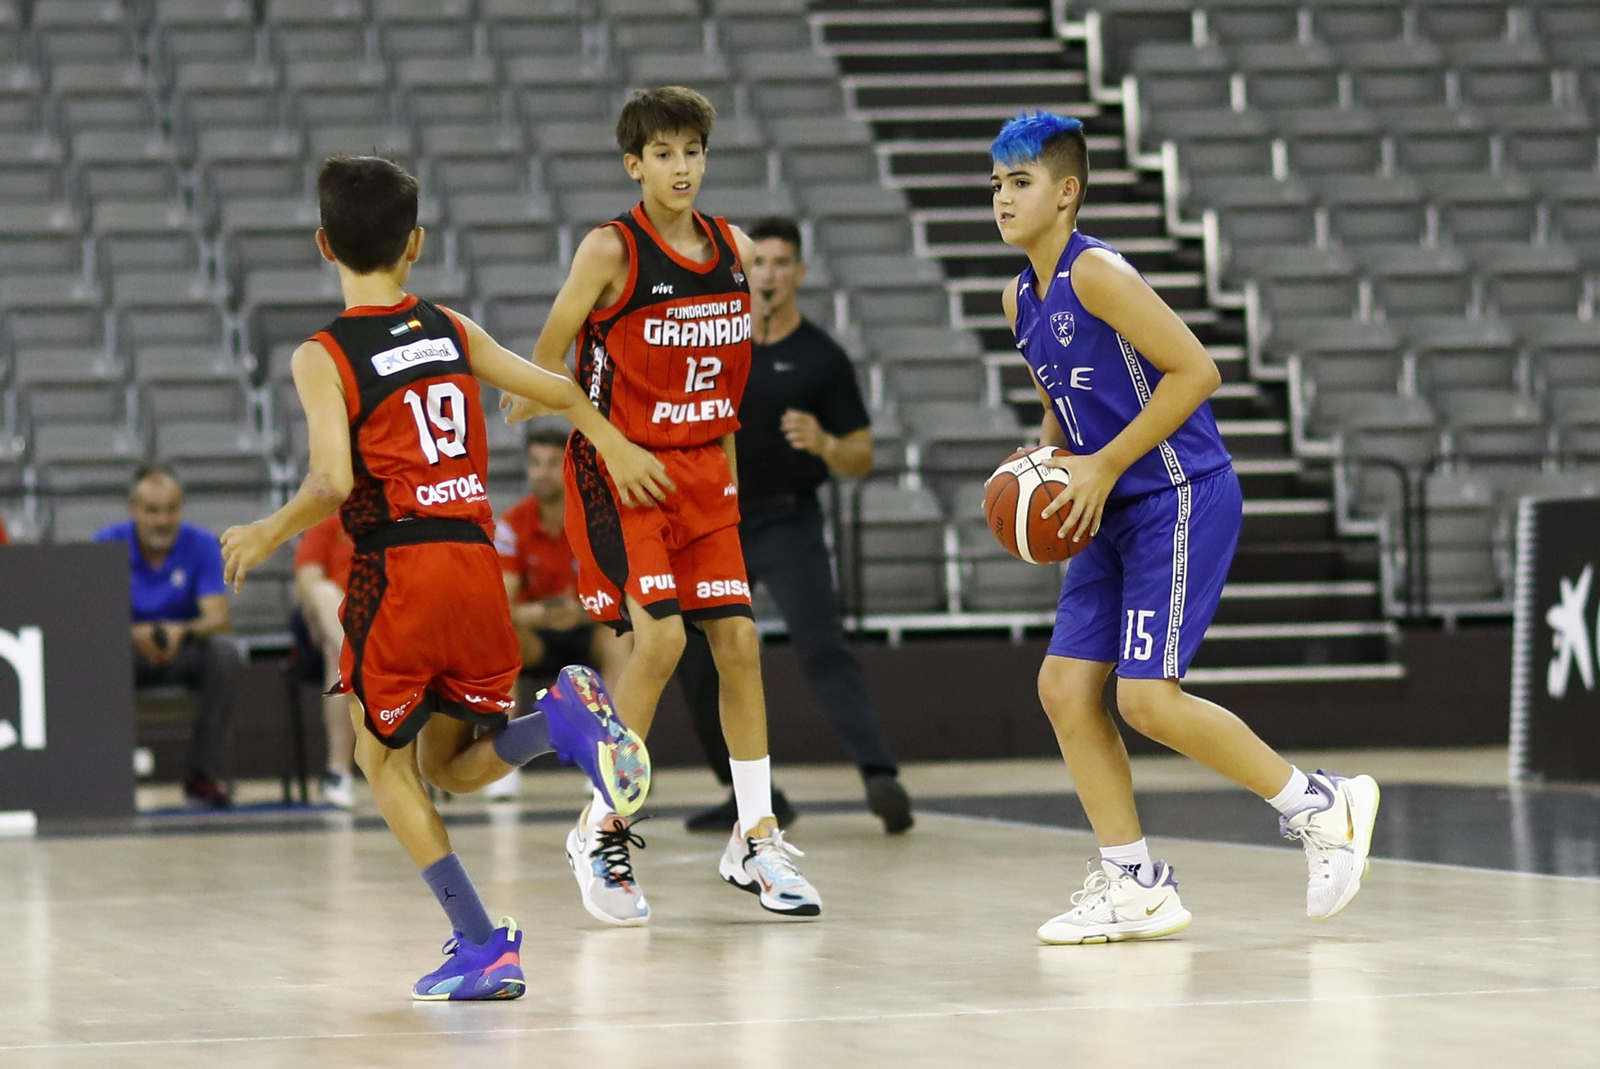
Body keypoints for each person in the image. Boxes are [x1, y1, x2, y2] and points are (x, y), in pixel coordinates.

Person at [219, 155, 659, 1001]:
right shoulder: (451, 328)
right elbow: (562, 387)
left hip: (400, 571)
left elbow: (330, 484)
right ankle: (559, 720)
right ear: (414, 244)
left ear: (322, 245)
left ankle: (482, 941)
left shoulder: (323, 353)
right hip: (475, 565)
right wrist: (585, 427)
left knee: (381, 765)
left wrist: (268, 531)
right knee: (452, 766)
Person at [991, 112, 1381, 945]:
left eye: (1019, 181)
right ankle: (1135, 885)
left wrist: (1101, 464)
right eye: (995, 183)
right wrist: (1048, 458)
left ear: (1067, 192)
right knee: (1063, 688)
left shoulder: (1096, 271)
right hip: (1107, 504)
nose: (1002, 197)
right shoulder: (1019, 296)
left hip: (1178, 493)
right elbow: (1066, 401)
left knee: (1145, 698)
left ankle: (1322, 804)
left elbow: (1196, 370)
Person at [504, 86, 823, 926]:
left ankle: (755, 836)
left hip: (701, 475)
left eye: (694, 152)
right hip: (617, 470)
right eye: (664, 154)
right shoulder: (611, 249)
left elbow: (723, 387)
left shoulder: (734, 249)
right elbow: (543, 368)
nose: (681, 167)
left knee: (743, 641)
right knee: (662, 640)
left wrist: (725, 487)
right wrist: (612, 443)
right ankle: (599, 828)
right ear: (633, 164)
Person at [674, 216, 912, 835]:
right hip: (717, 521)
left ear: (799, 274)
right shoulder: (716, 347)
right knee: (696, 659)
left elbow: (862, 456)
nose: (769, 274)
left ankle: (880, 775)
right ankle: (745, 791)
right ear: (742, 272)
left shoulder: (821, 358)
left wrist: (826, 442)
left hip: (787, 518)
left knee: (821, 644)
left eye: (781, 264)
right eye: (759, 264)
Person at [95, 466, 242, 810]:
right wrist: (131, 632)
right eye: (152, 510)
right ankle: (104, 776)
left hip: (182, 652)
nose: (162, 520)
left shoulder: (202, 543)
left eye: (171, 509)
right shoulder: (107, 543)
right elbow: (93, 619)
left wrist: (182, 631)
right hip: (125, 653)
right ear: (134, 510)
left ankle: (203, 778)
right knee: (94, 658)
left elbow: (218, 617)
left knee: (225, 653)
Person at [497, 429, 631, 685]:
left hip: (587, 629)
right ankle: (504, 726)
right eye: (535, 463)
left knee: (621, 635)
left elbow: (620, 597)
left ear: (569, 467)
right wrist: (543, 614)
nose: (542, 473)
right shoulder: (511, 525)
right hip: (536, 635)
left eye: (552, 463)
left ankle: (617, 725)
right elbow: (503, 607)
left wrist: (579, 614)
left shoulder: (596, 522)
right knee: (501, 639)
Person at [293, 514, 357, 808]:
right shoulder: (329, 522)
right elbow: (308, 582)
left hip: (387, 620)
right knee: (323, 592)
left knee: (339, 657)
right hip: (330, 621)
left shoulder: (400, 514)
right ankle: (357, 656)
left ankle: (337, 771)